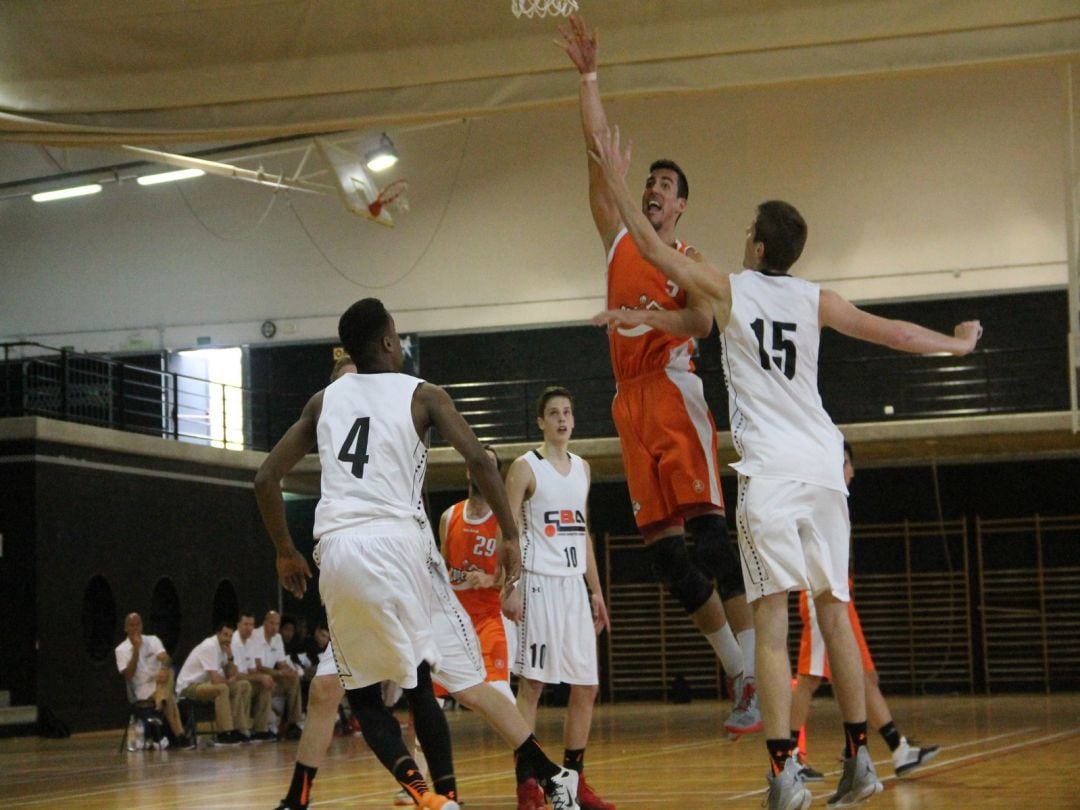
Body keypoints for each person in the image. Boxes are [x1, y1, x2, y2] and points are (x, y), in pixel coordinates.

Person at [587, 126, 982, 809]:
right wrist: (954, 344)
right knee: (835, 609)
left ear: (759, 246)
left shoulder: (732, 288)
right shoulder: (815, 299)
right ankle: (861, 760)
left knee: (772, 621)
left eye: (749, 230)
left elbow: (649, 247)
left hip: (770, 471)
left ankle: (783, 775)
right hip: (826, 467)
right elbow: (891, 332)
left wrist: (621, 182)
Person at [254, 300, 580, 810]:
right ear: (387, 343)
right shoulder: (422, 394)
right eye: (397, 333)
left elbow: (264, 477)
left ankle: (436, 793)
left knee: (367, 692)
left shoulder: (322, 402)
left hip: (336, 551)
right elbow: (479, 458)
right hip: (400, 548)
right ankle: (514, 781)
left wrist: (284, 553)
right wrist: (512, 536)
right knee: (430, 682)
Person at [556, 13, 760, 735]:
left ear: (679, 207)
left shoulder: (690, 259)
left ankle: (760, 673)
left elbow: (705, 325)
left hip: (673, 392)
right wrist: (589, 81)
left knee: (708, 538)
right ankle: (740, 673)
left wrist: (647, 323)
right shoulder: (617, 240)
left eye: (664, 184)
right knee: (667, 558)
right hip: (628, 404)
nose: (651, 188)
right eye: (646, 179)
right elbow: (593, 154)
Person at [791, 443, 940, 782]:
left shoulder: (835, 502)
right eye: (846, 463)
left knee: (865, 676)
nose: (851, 471)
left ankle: (896, 748)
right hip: (821, 596)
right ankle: (787, 756)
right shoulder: (814, 498)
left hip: (841, 595)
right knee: (810, 679)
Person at [503, 386, 613, 810]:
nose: (562, 419)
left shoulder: (583, 468)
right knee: (533, 684)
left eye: (567, 412)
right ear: (540, 422)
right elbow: (508, 532)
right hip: (537, 583)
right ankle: (527, 782)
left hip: (573, 588)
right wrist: (509, 587)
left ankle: (572, 781)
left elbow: (581, 532)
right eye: (554, 413)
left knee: (587, 686)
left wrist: (597, 592)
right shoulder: (525, 467)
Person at [439, 445, 514, 704]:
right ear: (469, 471)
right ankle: (421, 747)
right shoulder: (449, 517)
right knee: (432, 697)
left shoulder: (504, 522)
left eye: (491, 465)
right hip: (451, 620)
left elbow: (516, 575)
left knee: (502, 694)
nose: (484, 469)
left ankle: (524, 746)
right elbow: (442, 569)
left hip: (488, 618)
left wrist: (491, 579)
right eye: (479, 463)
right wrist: (453, 577)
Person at [114, 612, 193, 749]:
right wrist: (136, 650)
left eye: (138, 625)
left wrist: (163, 668)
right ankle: (180, 735)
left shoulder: (153, 640)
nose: (135, 629)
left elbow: (166, 659)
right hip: (142, 688)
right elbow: (128, 675)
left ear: (142, 626)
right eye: (131, 626)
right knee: (169, 698)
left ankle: (159, 708)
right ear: (125, 628)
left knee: (169, 671)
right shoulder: (121, 649)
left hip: (161, 682)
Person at [175, 621, 252, 746]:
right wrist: (229, 681)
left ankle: (239, 729)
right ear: (218, 634)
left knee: (243, 686)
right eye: (225, 635)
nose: (227, 639)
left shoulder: (225, 649)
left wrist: (230, 658)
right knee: (222, 688)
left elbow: (234, 675)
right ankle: (224, 732)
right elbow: (216, 679)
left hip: (205, 684)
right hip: (188, 687)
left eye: (230, 636)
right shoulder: (210, 646)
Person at [254, 610, 304, 739]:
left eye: (277, 624)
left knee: (294, 680)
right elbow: (258, 666)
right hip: (257, 676)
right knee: (268, 680)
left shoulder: (277, 638)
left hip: (272, 676)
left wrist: (291, 671)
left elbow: (282, 663)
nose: (274, 627)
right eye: (271, 623)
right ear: (265, 623)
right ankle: (262, 729)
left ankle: (293, 723)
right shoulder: (256, 636)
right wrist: (280, 672)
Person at [230, 611, 277, 741]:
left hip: (244, 679)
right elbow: (236, 675)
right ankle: (241, 729)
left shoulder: (250, 643)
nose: (249, 628)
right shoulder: (233, 643)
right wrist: (260, 677)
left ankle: (260, 729)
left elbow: (251, 670)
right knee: (245, 685)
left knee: (264, 685)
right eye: (245, 624)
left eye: (251, 624)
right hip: (231, 681)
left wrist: (265, 678)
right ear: (238, 625)